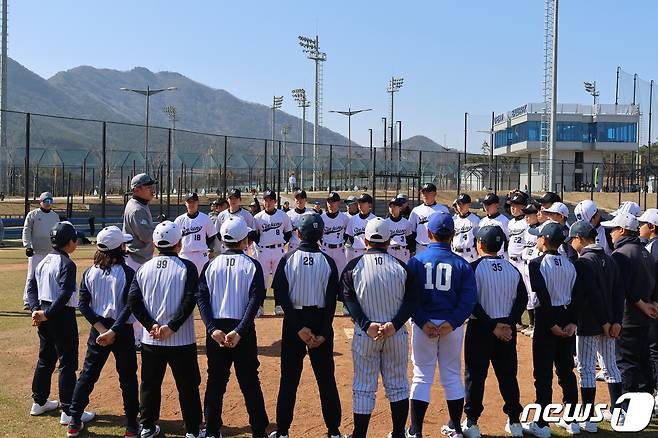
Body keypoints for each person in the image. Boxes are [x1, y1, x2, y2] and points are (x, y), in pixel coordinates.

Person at [342, 218, 416, 438]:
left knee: (364, 386)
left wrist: (366, 324)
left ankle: (360, 435)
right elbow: (412, 301)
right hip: (396, 334)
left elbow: (348, 299)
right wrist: (394, 324)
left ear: (365, 240)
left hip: (366, 335)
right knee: (398, 384)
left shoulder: (353, 267)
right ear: (389, 240)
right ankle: (398, 433)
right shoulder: (401, 267)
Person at [128, 221, 203, 438]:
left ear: (154, 243)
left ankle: (148, 427)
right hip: (181, 340)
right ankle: (192, 430)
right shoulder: (187, 267)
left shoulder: (144, 268)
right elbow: (190, 301)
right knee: (188, 385)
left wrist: (151, 325)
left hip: (151, 340)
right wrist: (171, 327)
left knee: (150, 385)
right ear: (179, 243)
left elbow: (133, 301)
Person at [271, 214, 343, 438]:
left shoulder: (287, 258)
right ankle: (333, 431)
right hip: (321, 319)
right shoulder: (328, 261)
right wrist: (322, 332)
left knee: (289, 379)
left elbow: (281, 296)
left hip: (294, 322)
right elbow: (332, 302)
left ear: (298, 234)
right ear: (321, 235)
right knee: (326, 379)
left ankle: (282, 431)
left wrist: (298, 327)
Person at [406, 212, 477, 438]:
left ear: (428, 233)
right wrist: (452, 322)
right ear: (453, 235)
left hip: (423, 325)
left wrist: (422, 320)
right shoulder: (462, 264)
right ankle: (455, 428)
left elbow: (409, 298)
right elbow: (468, 300)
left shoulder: (416, 261)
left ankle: (415, 431)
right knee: (452, 375)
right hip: (451, 327)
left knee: (421, 376)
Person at [197, 217, 269, 438]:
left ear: (221, 239)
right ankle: (259, 431)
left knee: (216, 381)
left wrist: (211, 328)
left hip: (217, 330)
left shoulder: (210, 265)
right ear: (245, 240)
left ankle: (210, 430)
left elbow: (201, 298)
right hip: (242, 329)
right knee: (249, 380)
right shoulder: (252, 265)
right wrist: (239, 331)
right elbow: (255, 300)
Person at [66, 226, 138, 437]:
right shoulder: (127, 272)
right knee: (127, 377)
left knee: (88, 375)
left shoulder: (90, 272)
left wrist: (101, 330)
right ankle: (132, 425)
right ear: (119, 248)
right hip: (121, 330)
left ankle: (74, 419)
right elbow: (129, 306)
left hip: (98, 330)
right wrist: (113, 331)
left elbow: (83, 304)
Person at [27, 222, 96, 428]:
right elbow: (66, 294)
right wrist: (46, 314)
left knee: (45, 358)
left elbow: (31, 287)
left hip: (44, 313)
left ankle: (38, 402)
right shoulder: (67, 264)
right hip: (60, 315)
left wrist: (36, 311)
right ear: (70, 242)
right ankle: (68, 410)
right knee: (67, 363)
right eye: (75, 239)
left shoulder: (43, 260)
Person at [462, 225, 527, 438]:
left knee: (475, 375)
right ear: (501, 246)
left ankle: (471, 423)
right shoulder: (513, 269)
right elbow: (522, 300)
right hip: (507, 330)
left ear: (479, 244)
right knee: (508, 375)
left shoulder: (472, 268)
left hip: (481, 327)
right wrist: (507, 324)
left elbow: (470, 302)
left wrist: (492, 326)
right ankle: (515, 422)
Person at [523, 222, 579, 437]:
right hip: (566, 318)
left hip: (548, 320)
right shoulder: (569, 263)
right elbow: (576, 297)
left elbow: (542, 297)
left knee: (543, 374)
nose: (537, 239)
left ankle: (542, 423)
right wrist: (572, 322)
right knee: (566, 371)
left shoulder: (537, 263)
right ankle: (572, 419)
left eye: (539, 237)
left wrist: (551, 325)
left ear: (544, 240)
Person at [568, 220, 623, 433]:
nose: (571, 242)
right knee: (610, 366)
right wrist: (616, 321)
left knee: (587, 369)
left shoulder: (583, 262)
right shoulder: (610, 260)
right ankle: (619, 414)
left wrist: (605, 322)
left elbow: (592, 295)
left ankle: (588, 419)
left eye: (573, 238)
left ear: (580, 239)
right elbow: (619, 294)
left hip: (591, 323)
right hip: (611, 324)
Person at [601, 212, 658, 397]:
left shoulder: (621, 254)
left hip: (628, 317)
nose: (610, 234)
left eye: (613, 229)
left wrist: (641, 304)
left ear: (622, 230)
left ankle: (629, 406)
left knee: (626, 363)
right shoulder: (645, 251)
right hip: (645, 318)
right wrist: (652, 303)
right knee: (644, 361)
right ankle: (647, 402)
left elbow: (623, 287)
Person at [252, 190, 292, 316]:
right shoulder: (258, 217)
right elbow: (254, 234)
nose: (268, 202)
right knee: (261, 280)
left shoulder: (282, 215)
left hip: (278, 250)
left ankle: (278, 306)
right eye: (265, 200)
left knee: (278, 279)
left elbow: (288, 232)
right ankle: (260, 306)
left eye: (270, 200)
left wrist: (280, 243)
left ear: (275, 201)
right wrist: (261, 244)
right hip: (263, 251)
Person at [22, 191, 60, 309]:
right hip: (36, 251)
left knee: (49, 276)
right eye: (46, 201)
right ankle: (28, 300)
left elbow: (57, 232)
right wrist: (27, 246)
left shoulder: (55, 216)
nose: (48, 203)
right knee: (32, 275)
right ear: (41, 202)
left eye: (50, 201)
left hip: (50, 252)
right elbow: (26, 230)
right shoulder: (33, 214)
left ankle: (47, 298)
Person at [638, 208, 658, 407]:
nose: (639, 227)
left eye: (642, 224)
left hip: (652, 306)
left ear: (651, 227)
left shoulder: (652, 248)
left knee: (653, 350)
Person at [122, 173, 159, 272]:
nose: (152, 190)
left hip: (138, 258)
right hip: (136, 259)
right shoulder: (137, 209)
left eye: (152, 187)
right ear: (136, 190)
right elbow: (147, 237)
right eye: (148, 187)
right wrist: (161, 231)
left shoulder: (140, 204)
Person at [174, 193, 218, 275]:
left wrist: (211, 250)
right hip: (185, 254)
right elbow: (175, 238)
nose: (191, 204)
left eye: (193, 202)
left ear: (197, 202)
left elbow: (212, 237)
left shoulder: (205, 218)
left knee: (202, 280)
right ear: (185, 203)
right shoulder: (179, 220)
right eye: (189, 202)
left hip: (201, 254)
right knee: (186, 280)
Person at [409, 183, 449, 255]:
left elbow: (448, 231)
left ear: (435, 194)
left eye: (428, 192)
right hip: (420, 247)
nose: (425, 195)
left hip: (437, 247)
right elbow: (411, 231)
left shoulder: (443, 210)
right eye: (423, 192)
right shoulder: (416, 210)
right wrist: (412, 248)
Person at [520, 202, 541, 337]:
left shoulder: (540, 230)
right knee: (528, 295)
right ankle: (532, 324)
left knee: (535, 295)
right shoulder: (527, 230)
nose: (526, 217)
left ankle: (537, 326)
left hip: (534, 265)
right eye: (525, 215)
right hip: (525, 264)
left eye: (529, 214)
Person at [320, 192, 350, 276]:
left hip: (339, 249)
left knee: (341, 275)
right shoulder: (322, 218)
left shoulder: (344, 218)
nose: (330, 204)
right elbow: (318, 235)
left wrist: (342, 242)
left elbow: (347, 234)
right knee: (324, 274)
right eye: (329, 201)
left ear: (338, 202)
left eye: (333, 201)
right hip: (325, 249)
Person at [345, 193, 376, 262]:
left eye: (363, 202)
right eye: (359, 202)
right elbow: (350, 236)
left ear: (370, 205)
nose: (360, 204)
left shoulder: (374, 220)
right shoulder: (353, 219)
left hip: (370, 252)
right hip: (356, 252)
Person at [478, 193, 509, 258]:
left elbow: (508, 240)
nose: (486, 207)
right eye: (485, 204)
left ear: (496, 205)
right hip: (484, 256)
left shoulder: (504, 221)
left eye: (489, 204)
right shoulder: (482, 221)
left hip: (500, 256)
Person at [451, 193, 479, 263]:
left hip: (470, 254)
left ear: (469, 204)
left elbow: (478, 240)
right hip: (455, 253)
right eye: (458, 204)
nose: (460, 206)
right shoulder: (453, 220)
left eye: (463, 204)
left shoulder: (475, 220)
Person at [386, 197, 413, 263]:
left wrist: (411, 250)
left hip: (403, 251)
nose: (392, 208)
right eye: (390, 206)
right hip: (390, 250)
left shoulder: (406, 222)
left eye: (394, 206)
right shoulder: (385, 223)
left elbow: (409, 238)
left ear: (400, 208)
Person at [507, 193, 529, 273]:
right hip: (510, 261)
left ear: (523, 207)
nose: (512, 208)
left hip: (522, 262)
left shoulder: (527, 222)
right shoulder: (510, 222)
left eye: (515, 205)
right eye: (511, 205)